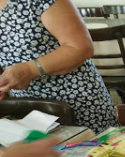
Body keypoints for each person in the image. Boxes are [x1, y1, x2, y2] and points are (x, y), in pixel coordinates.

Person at [0, 0, 118, 133]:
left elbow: (81, 48)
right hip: (28, 111)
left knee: (91, 145)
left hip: (76, 102)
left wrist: (30, 69)